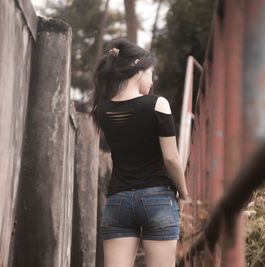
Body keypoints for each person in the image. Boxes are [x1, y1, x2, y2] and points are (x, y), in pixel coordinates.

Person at [90, 38, 191, 267]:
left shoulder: (101, 110)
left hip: (118, 202)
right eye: (151, 73)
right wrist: (184, 194)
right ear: (138, 69)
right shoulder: (157, 104)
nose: (152, 80)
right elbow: (171, 159)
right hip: (158, 199)